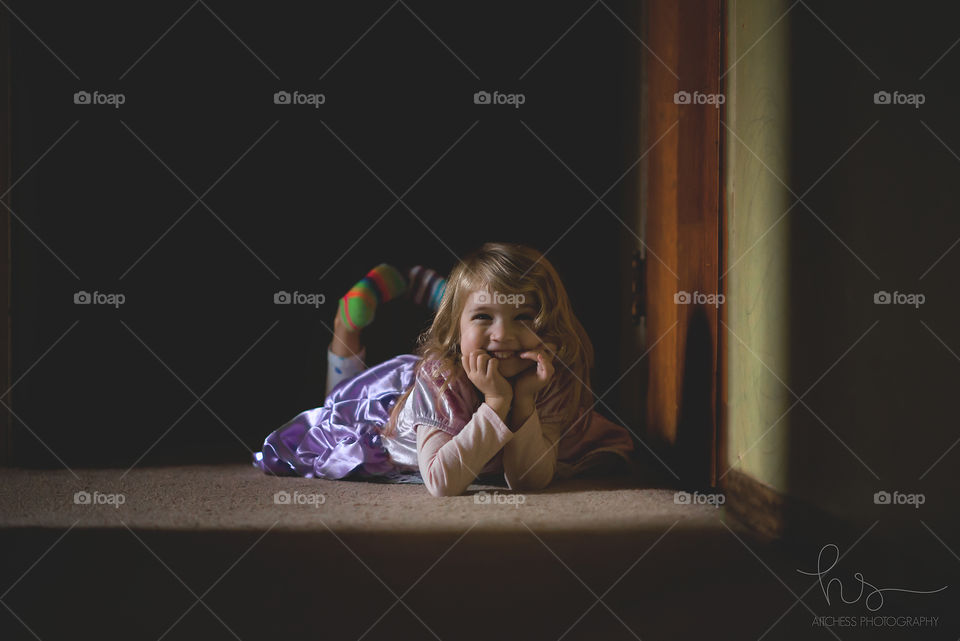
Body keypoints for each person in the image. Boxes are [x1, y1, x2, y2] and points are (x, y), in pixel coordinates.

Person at [252, 242, 635, 496]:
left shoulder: (550, 376)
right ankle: (347, 322)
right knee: (341, 406)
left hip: (453, 355)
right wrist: (496, 401)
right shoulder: (440, 377)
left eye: (524, 317)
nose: (503, 336)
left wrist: (522, 403)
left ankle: (445, 295)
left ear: (549, 326)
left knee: (468, 312)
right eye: (486, 316)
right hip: (388, 411)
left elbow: (527, 480)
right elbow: (440, 482)